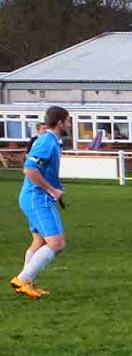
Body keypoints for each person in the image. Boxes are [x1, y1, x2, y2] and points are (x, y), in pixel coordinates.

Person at [11, 106, 70, 300]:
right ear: (60, 122)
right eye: (68, 121)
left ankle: (27, 283)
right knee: (57, 243)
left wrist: (56, 186)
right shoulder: (47, 142)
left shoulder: (51, 141)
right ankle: (23, 279)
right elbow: (29, 169)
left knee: (39, 241)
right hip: (38, 198)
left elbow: (41, 170)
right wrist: (51, 190)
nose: (69, 124)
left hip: (33, 197)